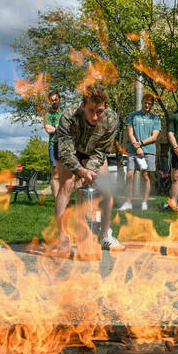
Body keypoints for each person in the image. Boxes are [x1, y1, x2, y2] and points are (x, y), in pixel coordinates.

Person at [54, 82, 123, 250]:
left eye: (99, 111)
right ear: (83, 105)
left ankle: (105, 235)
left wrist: (90, 171)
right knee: (67, 184)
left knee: (105, 186)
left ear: (105, 107)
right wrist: (80, 171)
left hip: (93, 151)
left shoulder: (111, 119)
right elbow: (65, 153)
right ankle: (63, 237)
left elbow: (102, 151)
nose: (95, 117)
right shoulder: (68, 116)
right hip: (69, 149)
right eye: (91, 111)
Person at [119, 93, 161, 211]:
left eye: (150, 103)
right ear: (142, 102)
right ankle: (128, 202)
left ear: (152, 104)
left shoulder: (155, 118)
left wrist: (141, 144)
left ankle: (144, 203)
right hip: (133, 150)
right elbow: (130, 133)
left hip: (149, 151)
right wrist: (137, 147)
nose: (147, 105)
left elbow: (154, 137)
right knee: (130, 175)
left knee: (145, 176)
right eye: (145, 102)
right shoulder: (133, 116)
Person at [44, 90, 62, 199]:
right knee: (55, 174)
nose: (54, 102)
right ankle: (57, 200)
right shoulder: (48, 114)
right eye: (52, 100)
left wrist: (55, 127)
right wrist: (58, 128)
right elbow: (48, 129)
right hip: (53, 145)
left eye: (56, 99)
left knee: (68, 173)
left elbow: (70, 128)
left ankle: (65, 197)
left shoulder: (64, 113)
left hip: (66, 146)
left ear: (59, 100)